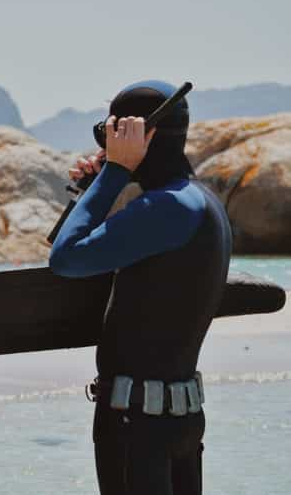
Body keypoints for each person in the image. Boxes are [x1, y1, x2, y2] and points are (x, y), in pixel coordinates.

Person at [49, 81, 232, 495]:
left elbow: (66, 259)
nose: (105, 143)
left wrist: (114, 173)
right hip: (180, 418)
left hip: (137, 424)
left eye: (107, 131)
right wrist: (92, 187)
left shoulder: (165, 208)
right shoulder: (200, 201)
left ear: (137, 133)